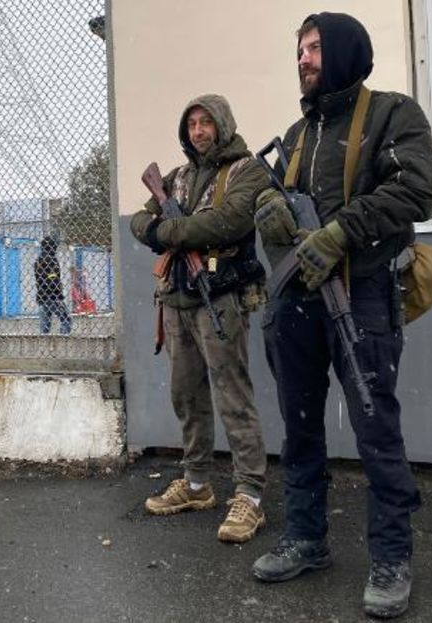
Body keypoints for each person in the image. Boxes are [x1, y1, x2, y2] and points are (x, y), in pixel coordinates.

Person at [250, 13, 432, 619]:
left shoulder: (392, 114)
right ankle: (306, 540)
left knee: (375, 427)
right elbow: (270, 192)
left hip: (364, 297)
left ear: (346, 50)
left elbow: (416, 191)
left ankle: (391, 558)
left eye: (314, 48)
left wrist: (341, 232)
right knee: (299, 426)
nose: (302, 59)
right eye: (298, 50)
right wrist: (269, 211)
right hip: (299, 301)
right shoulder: (300, 132)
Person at [129, 94, 270, 543]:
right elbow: (138, 220)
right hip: (177, 299)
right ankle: (196, 484)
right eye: (191, 124)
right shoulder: (178, 177)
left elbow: (226, 224)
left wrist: (165, 232)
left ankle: (250, 494)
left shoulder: (247, 171)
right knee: (185, 394)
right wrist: (162, 231)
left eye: (207, 122)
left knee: (233, 395)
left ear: (223, 125)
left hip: (221, 298)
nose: (198, 131)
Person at [34, 235, 71, 335]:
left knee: (45, 326)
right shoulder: (52, 260)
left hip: (42, 296)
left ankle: (43, 346)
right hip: (53, 296)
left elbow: (43, 279)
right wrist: (58, 293)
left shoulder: (38, 260)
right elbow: (53, 280)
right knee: (66, 319)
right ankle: (64, 340)